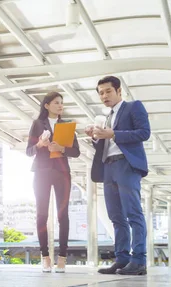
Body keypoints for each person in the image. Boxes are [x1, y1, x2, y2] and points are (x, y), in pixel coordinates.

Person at [85, 76, 151, 276]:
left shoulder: (133, 107)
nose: (104, 96)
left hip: (126, 164)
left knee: (133, 213)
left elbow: (144, 133)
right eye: (101, 93)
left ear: (119, 91)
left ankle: (139, 260)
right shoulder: (105, 117)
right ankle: (122, 259)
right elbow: (107, 143)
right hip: (108, 167)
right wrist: (96, 137)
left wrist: (113, 134)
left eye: (108, 91)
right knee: (115, 216)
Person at [26, 92, 80, 273]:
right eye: (57, 102)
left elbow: (76, 152)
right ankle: (45, 257)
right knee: (42, 215)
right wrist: (40, 145)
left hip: (62, 172)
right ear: (47, 105)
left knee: (62, 215)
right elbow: (28, 151)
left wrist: (61, 148)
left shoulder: (67, 125)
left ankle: (62, 257)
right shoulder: (37, 124)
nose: (60, 106)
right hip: (41, 172)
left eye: (62, 103)